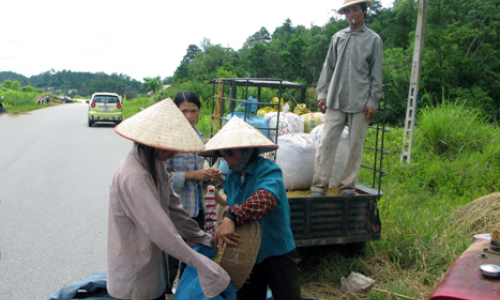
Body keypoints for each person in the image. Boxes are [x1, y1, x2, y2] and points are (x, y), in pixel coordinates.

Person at [107, 98, 230, 300]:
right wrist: (202, 263)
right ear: (155, 144)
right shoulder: (134, 176)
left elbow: (175, 209)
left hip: (151, 268)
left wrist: (203, 238)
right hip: (133, 276)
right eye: (171, 146)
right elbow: (163, 231)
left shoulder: (155, 164)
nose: (175, 152)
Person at [199, 116, 302, 300]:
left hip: (277, 251)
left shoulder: (268, 170)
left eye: (231, 153)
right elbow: (231, 204)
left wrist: (232, 217)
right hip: (247, 254)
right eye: (224, 154)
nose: (227, 159)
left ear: (248, 151)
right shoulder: (231, 177)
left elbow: (265, 200)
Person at [310, 0, 383, 197]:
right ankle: (319, 185)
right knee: (327, 142)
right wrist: (323, 94)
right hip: (336, 98)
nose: (351, 14)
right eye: (348, 10)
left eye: (355, 9)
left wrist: (372, 101)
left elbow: (376, 74)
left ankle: (347, 186)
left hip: (361, 102)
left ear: (364, 11)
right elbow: (328, 67)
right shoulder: (338, 37)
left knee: (355, 145)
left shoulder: (373, 40)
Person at [164, 91, 223, 295]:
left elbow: (202, 177)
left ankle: (183, 290)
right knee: (171, 255)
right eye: (184, 111)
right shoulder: (167, 139)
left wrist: (209, 175)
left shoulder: (199, 137)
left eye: (194, 111)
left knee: (192, 254)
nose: (189, 116)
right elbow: (162, 179)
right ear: (176, 112)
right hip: (173, 209)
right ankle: (167, 291)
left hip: (196, 207)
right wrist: (191, 175)